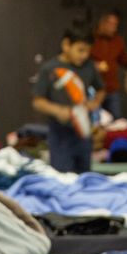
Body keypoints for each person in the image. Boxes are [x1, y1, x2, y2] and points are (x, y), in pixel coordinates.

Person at [32, 23, 104, 173]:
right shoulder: (49, 68)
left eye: (88, 51)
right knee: (62, 176)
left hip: (84, 132)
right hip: (60, 134)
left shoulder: (89, 66)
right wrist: (58, 110)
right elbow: (38, 101)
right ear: (66, 45)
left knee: (85, 175)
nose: (84, 55)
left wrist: (95, 103)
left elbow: (101, 90)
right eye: (80, 50)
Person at [90, 9, 127, 119]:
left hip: (112, 90)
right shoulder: (90, 39)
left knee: (116, 119)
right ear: (102, 23)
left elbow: (125, 60)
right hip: (94, 91)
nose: (114, 28)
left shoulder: (118, 41)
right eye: (111, 24)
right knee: (95, 120)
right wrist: (93, 66)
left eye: (116, 24)